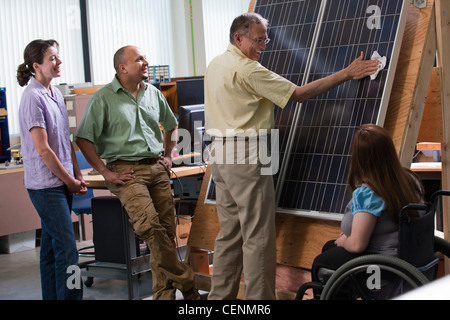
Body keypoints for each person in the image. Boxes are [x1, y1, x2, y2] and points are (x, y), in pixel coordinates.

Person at [205, 13, 381, 300]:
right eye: (258, 39)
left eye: (266, 39)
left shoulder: (216, 64)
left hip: (220, 155)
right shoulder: (249, 70)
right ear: (239, 38)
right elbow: (298, 95)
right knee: (258, 237)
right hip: (247, 154)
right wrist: (346, 73)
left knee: (229, 235)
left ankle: (219, 299)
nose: (263, 45)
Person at [75, 45, 200, 300]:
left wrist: (167, 154)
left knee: (164, 235)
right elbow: (83, 138)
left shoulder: (153, 93)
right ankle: (187, 282)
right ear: (122, 68)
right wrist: (104, 172)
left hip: (156, 168)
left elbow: (171, 124)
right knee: (150, 228)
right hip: (125, 171)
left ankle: (164, 297)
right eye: (139, 59)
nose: (146, 62)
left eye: (144, 58)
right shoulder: (103, 98)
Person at [310, 124, 425, 285]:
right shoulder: (408, 179)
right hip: (410, 256)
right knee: (330, 248)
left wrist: (345, 241)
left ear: (359, 157)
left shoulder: (370, 193)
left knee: (321, 262)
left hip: (384, 264)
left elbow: (357, 245)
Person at [17, 39, 86, 300]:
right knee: (69, 252)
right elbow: (44, 149)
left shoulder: (55, 93)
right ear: (36, 65)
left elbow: (65, 140)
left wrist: (77, 174)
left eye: (58, 57)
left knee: (49, 251)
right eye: (52, 59)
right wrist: (69, 180)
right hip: (46, 186)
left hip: (62, 181)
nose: (58, 62)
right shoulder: (32, 98)